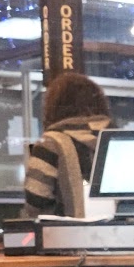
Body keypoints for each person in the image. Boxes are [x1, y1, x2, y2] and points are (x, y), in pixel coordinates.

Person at [22, 72, 112, 217]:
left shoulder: (51, 142)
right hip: (123, 230)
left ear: (54, 106)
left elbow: (35, 198)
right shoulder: (117, 140)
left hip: (65, 230)